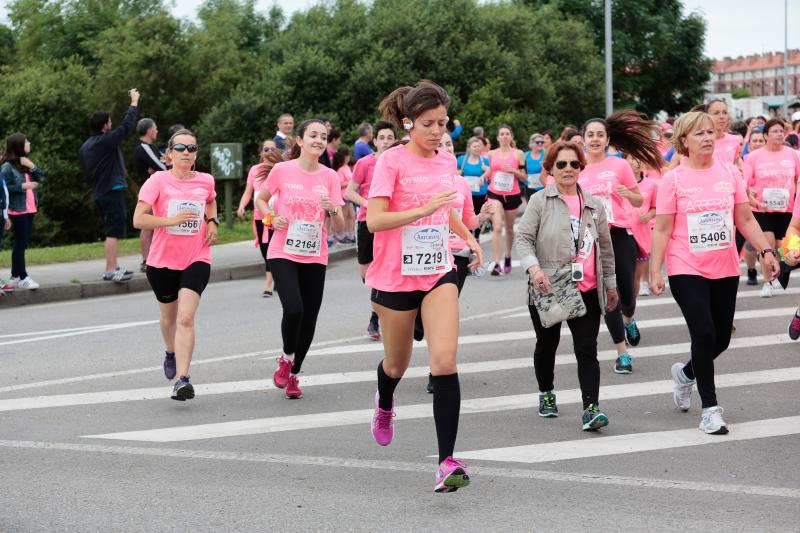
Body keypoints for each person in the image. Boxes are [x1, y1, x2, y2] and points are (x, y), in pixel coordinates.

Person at [367, 80, 482, 492]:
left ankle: (445, 461)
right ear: (407, 123)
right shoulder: (391, 162)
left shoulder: (445, 162)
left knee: (445, 362)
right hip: (396, 276)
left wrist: (466, 235)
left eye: (443, 123)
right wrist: (424, 209)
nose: (438, 132)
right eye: (430, 124)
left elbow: (445, 209)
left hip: (438, 271)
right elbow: (374, 220)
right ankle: (384, 403)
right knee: (396, 365)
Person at [650, 111, 778, 435]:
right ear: (684, 141)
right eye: (698, 134)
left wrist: (765, 250)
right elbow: (662, 229)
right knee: (704, 332)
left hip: (724, 265)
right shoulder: (673, 180)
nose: (707, 138)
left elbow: (746, 220)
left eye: (710, 132)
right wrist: (655, 270)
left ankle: (685, 374)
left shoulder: (730, 174)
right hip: (685, 265)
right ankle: (710, 410)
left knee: (721, 338)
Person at [517, 140, 618, 429]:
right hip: (549, 285)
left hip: (586, 288)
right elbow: (523, 239)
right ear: (550, 169)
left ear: (581, 167)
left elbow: (606, 249)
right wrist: (534, 269)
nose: (568, 169)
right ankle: (546, 393)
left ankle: (591, 408)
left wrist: (610, 285)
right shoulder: (540, 201)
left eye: (574, 164)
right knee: (547, 345)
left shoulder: (594, 204)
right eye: (561, 164)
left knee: (587, 348)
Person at [257, 119, 345, 400]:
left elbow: (340, 226)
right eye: (313, 135)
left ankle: (294, 374)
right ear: (300, 140)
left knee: (309, 318)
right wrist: (272, 218)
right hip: (283, 250)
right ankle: (286, 357)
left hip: (314, 254)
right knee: (293, 309)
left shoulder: (330, 176)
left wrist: (332, 210)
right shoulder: (283, 171)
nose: (319, 140)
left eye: (323, 136)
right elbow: (261, 200)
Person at [132, 129, 218, 401]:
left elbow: (211, 201)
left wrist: (212, 222)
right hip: (162, 261)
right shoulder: (157, 181)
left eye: (191, 149)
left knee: (185, 317)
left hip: (196, 257)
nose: (185, 153)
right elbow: (138, 219)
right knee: (169, 318)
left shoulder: (205, 180)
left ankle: (182, 379)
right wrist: (171, 221)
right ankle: (170, 351)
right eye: (180, 148)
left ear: (196, 155)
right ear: (169, 154)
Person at [579, 110, 662, 374]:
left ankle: (630, 319)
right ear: (583, 139)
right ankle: (622, 353)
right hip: (592, 239)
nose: (595, 139)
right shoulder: (577, 168)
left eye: (599, 135)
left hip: (620, 233)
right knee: (608, 295)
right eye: (590, 134)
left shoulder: (619, 165)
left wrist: (629, 194)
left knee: (627, 291)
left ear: (607, 139)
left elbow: (638, 200)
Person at [78, 88, 139, 282]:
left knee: (111, 228)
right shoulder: (105, 142)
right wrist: (134, 103)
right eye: (110, 122)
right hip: (110, 191)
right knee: (113, 231)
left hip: (100, 192)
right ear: (105, 126)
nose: (112, 125)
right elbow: (126, 127)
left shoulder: (86, 146)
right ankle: (110, 270)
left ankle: (115, 266)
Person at [346, 120, 396, 340]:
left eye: (389, 138)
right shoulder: (365, 163)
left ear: (395, 141)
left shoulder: (398, 162)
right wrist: (367, 203)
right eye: (382, 138)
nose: (385, 142)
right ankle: (379, 309)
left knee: (387, 270)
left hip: (389, 222)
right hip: (366, 221)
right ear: (374, 141)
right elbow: (349, 191)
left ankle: (375, 319)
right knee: (367, 273)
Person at [743, 118, 800, 297]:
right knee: (767, 245)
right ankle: (768, 282)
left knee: (783, 248)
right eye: (775, 131)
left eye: (781, 131)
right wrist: (750, 191)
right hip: (763, 209)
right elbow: (745, 182)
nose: (779, 134)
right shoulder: (753, 157)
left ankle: (781, 274)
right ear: (766, 135)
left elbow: (798, 178)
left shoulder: (792, 154)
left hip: (788, 209)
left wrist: (796, 193)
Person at [0, 133, 44, 290]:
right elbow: (3, 188)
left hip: (30, 208)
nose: (29, 143)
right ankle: (23, 277)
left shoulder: (25, 163)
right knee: (20, 243)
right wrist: (22, 187)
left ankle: (15, 276)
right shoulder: (7, 167)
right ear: (19, 145)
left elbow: (41, 178)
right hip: (17, 210)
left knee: (22, 243)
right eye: (26, 142)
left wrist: (32, 165)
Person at [238, 139, 279, 297]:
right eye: (266, 149)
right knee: (265, 252)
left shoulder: (280, 168)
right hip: (259, 217)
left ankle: (268, 286)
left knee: (272, 249)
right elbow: (248, 191)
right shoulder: (255, 170)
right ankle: (276, 278)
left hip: (276, 216)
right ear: (261, 152)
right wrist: (242, 205)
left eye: (273, 149)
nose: (269, 152)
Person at [486, 125, 526, 276]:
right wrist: (484, 176)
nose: (504, 136)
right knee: (497, 227)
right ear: (497, 137)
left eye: (507, 134)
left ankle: (508, 255)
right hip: (494, 193)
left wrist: (514, 171)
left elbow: (524, 177)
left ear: (511, 136)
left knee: (509, 229)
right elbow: (491, 171)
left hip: (512, 194)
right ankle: (496, 263)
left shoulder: (518, 154)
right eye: (501, 134)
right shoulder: (491, 154)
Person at [132, 118, 166, 272]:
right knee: (147, 226)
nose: (157, 131)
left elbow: (163, 163)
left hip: (157, 190)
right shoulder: (143, 147)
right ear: (149, 130)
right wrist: (159, 168)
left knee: (155, 225)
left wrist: (158, 167)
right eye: (156, 128)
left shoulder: (152, 147)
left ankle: (154, 258)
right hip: (149, 191)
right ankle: (146, 261)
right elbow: (162, 166)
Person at [625, 156, 658, 297]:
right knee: (625, 274)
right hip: (624, 233)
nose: (636, 161)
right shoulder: (619, 183)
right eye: (632, 158)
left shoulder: (651, 184)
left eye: (639, 158)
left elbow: (656, 207)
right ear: (625, 161)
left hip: (642, 232)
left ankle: (629, 312)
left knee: (637, 273)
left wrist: (649, 215)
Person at [457, 137, 491, 240]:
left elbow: (491, 171)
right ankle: (466, 237)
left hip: (480, 193)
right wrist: (459, 174)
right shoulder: (462, 160)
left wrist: (484, 175)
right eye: (474, 146)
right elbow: (455, 173)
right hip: (466, 194)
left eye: (479, 146)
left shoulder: (484, 161)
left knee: (478, 215)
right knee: (465, 216)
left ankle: (476, 237)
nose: (477, 148)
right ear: (469, 148)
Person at [332, 147, 355, 243]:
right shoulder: (341, 169)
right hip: (344, 196)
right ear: (345, 157)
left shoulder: (347, 168)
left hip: (349, 195)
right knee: (344, 216)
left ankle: (350, 235)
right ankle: (341, 236)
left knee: (351, 215)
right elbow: (339, 184)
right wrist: (351, 183)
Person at [524, 133, 546, 198]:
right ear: (531, 144)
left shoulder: (546, 155)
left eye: (542, 142)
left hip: (543, 187)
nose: (540, 144)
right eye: (537, 142)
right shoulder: (525, 155)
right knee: (531, 207)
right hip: (529, 187)